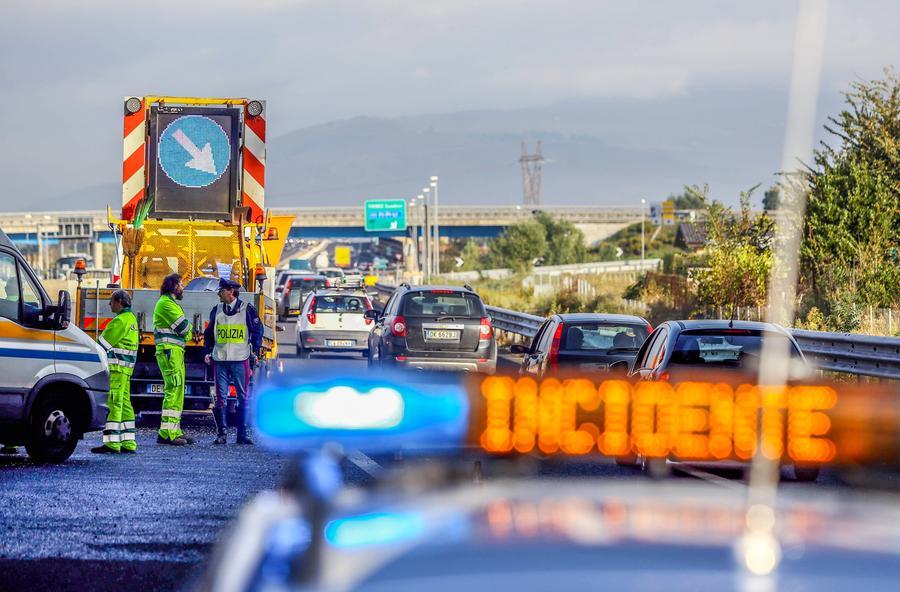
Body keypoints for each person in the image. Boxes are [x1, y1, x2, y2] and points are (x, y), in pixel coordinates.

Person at [204, 278, 262, 445]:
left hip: (240, 358)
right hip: (220, 359)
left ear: (231, 292)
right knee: (220, 397)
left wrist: (255, 349)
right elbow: (209, 334)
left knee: (242, 397)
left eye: (221, 291)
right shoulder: (217, 310)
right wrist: (207, 352)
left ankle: (241, 435)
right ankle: (221, 434)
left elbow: (258, 330)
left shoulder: (247, 310)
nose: (218, 293)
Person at [92, 290, 139, 454]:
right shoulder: (131, 319)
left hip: (117, 369)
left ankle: (112, 443)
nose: (109, 304)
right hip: (126, 369)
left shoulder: (119, 321)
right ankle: (128, 442)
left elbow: (101, 345)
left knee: (114, 402)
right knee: (125, 404)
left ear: (119, 301)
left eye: (111, 300)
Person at [154, 273, 193, 445]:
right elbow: (185, 329)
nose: (182, 287)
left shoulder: (169, 304)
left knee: (177, 392)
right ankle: (167, 434)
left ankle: (174, 431)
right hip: (170, 353)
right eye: (181, 284)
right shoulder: (166, 304)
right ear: (174, 286)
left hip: (174, 353)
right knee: (173, 391)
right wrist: (190, 328)